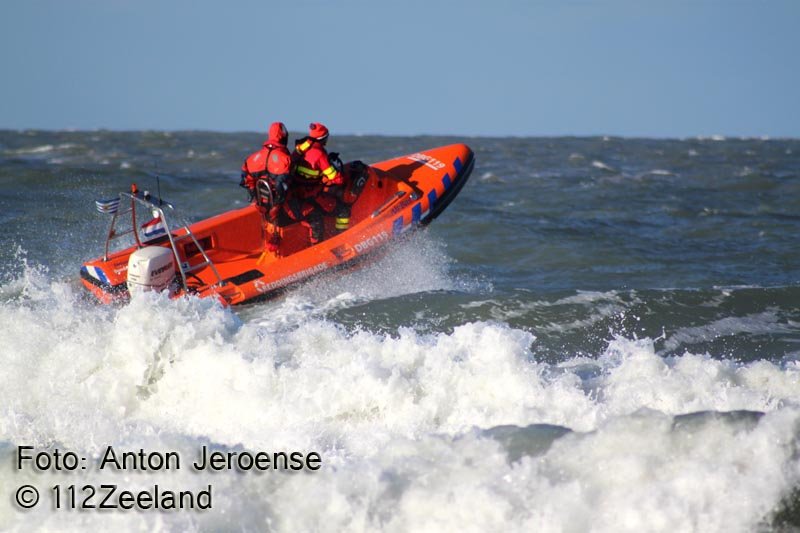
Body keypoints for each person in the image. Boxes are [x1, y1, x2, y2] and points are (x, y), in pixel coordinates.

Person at [287, 122, 345, 243]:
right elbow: (336, 178)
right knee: (342, 210)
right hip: (310, 195)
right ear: (323, 138)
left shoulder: (301, 148)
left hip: (295, 193)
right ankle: (341, 239)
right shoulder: (319, 155)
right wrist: (338, 174)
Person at [239, 122, 292, 251]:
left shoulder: (252, 159)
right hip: (281, 209)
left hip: (262, 206)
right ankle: (316, 250)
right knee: (313, 215)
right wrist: (277, 205)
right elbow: (285, 186)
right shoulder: (285, 159)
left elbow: (246, 181)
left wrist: (257, 199)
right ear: (284, 137)